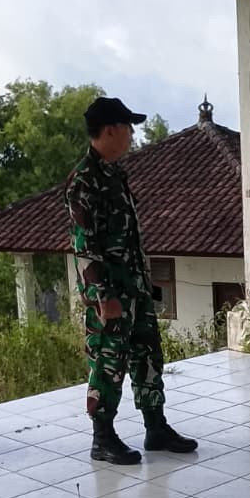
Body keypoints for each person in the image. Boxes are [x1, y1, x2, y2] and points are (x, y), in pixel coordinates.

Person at [66, 96, 197, 464]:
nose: (132, 134)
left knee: (147, 357)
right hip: (110, 295)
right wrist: (104, 295)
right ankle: (102, 437)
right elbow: (85, 247)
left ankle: (156, 427)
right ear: (110, 130)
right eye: (128, 127)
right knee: (109, 363)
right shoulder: (84, 182)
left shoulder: (115, 173)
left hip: (135, 289)